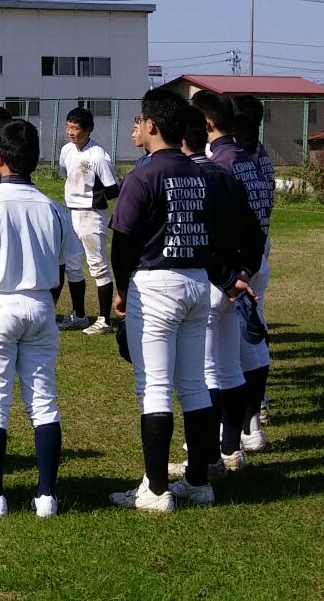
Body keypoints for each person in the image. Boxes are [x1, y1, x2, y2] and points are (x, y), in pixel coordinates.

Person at [0, 118, 72, 519]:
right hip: (39, 303)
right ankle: (45, 496)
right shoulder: (53, 209)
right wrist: (46, 305)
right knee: (44, 402)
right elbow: (60, 270)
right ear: (35, 161)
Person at [108, 88, 219, 512]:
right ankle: (197, 480)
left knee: (153, 387)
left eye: (139, 121)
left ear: (152, 126)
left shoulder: (144, 175)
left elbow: (124, 241)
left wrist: (121, 288)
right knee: (193, 385)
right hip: (196, 280)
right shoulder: (200, 173)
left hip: (156, 284)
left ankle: (155, 490)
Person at [190, 93, 269, 472]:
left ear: (206, 124)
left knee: (212, 368)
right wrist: (244, 271)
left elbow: (210, 233)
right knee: (234, 362)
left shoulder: (216, 166)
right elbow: (258, 220)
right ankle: (236, 444)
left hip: (224, 275)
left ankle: (211, 454)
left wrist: (228, 274)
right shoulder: (249, 158)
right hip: (245, 268)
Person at [229, 93, 276, 448]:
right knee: (254, 325)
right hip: (259, 247)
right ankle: (254, 417)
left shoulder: (236, 162)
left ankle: (240, 426)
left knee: (236, 337)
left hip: (243, 254)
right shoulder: (262, 157)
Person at [57, 107, 120, 335]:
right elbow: (66, 175)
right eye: (68, 127)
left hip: (91, 216)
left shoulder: (98, 155)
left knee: (98, 266)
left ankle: (104, 320)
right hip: (70, 212)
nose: (71, 132)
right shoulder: (66, 150)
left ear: (88, 130)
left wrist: (91, 200)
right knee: (72, 266)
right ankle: (80, 315)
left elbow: (113, 189)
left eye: (76, 128)